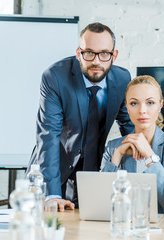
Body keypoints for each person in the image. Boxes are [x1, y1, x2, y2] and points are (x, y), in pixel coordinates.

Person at [27, 22, 134, 211]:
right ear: (79, 53)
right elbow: (49, 134)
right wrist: (51, 195)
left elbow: (129, 125)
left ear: (113, 55)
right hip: (53, 169)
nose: (96, 61)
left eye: (104, 54)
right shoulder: (55, 77)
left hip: (93, 170)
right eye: (89, 53)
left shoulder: (123, 79)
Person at [101, 75, 164, 215]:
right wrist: (117, 156)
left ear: (160, 105)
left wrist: (149, 155)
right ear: (127, 107)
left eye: (150, 103)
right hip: (128, 227)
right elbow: (102, 202)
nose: (142, 110)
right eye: (134, 103)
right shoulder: (113, 147)